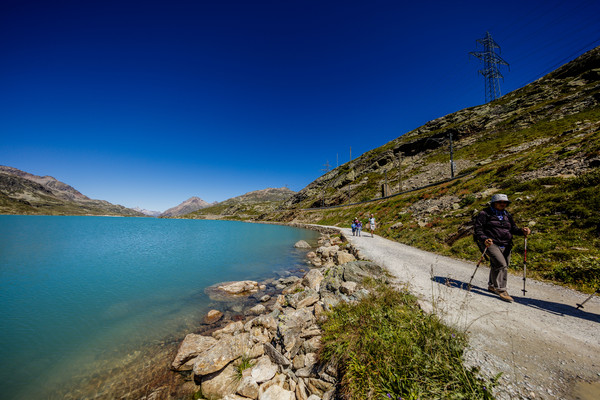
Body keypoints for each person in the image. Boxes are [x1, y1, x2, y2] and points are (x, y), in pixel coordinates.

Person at [474, 194, 531, 303]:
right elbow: (478, 229)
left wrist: (522, 231)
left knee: (499, 264)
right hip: (491, 243)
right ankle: (501, 289)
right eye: (500, 202)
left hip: (506, 243)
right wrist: (484, 239)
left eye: (504, 202)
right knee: (501, 264)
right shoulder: (484, 213)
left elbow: (513, 229)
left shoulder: (507, 215)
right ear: (494, 203)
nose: (502, 204)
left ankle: (491, 285)